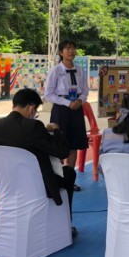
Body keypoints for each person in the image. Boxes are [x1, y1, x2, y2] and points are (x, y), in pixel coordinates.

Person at [0, 88, 77, 234]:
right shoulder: (34, 127)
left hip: (8, 184)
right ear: (31, 108)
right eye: (35, 111)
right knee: (69, 172)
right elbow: (62, 152)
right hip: (36, 186)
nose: (34, 115)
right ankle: (65, 225)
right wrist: (56, 131)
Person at [45, 40, 89, 192]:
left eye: (73, 48)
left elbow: (85, 91)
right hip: (61, 110)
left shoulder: (80, 70)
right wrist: (67, 103)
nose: (71, 51)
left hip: (76, 109)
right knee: (58, 144)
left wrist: (79, 101)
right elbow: (48, 94)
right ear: (61, 52)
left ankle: (70, 180)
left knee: (73, 144)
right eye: (67, 49)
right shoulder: (56, 71)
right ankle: (58, 179)